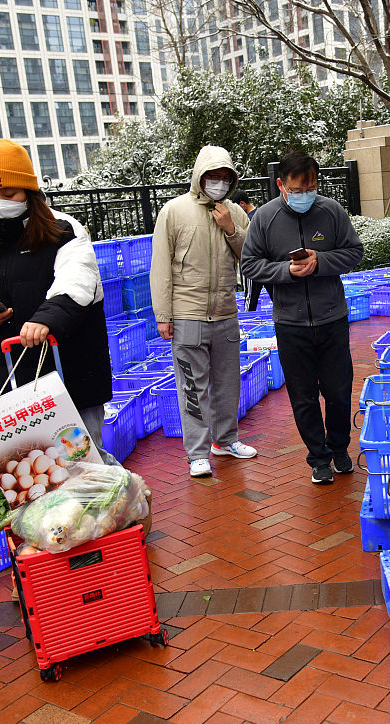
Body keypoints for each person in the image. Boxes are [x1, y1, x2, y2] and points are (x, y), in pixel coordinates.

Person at [0, 139, 112, 445]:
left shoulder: (63, 230)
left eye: (9, 193)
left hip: (71, 369)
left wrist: (46, 320)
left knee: (84, 466)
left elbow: (78, 282)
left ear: (29, 191)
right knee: (37, 470)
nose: (0, 200)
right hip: (15, 379)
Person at [241, 151, 364, 485]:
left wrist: (320, 261)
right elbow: (249, 265)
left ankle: (340, 448)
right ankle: (319, 458)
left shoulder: (331, 211)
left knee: (339, 391)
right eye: (297, 189)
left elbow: (354, 251)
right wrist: (287, 270)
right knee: (303, 396)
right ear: (282, 185)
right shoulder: (264, 219)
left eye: (311, 186)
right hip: (290, 323)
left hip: (331, 318)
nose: (305, 194)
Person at [150, 146, 258, 478]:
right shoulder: (174, 211)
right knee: (192, 389)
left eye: (226, 178)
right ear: (200, 177)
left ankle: (225, 441)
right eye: (214, 177)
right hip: (187, 316)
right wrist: (163, 315)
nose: (220, 183)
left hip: (226, 311)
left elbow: (251, 259)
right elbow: (161, 267)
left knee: (228, 384)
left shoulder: (234, 213)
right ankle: (197, 453)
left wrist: (230, 228)